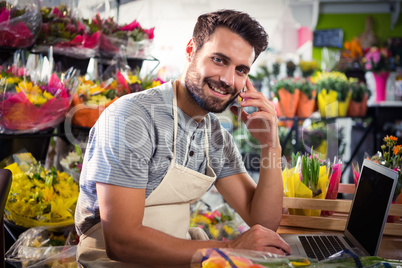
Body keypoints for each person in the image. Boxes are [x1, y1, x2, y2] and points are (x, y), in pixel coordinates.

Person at [75, 9, 290, 267]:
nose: (228, 80)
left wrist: (270, 145)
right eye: (219, 60)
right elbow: (121, 242)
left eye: (241, 70)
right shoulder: (133, 117)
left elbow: (264, 223)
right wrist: (231, 248)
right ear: (191, 50)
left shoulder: (215, 137)